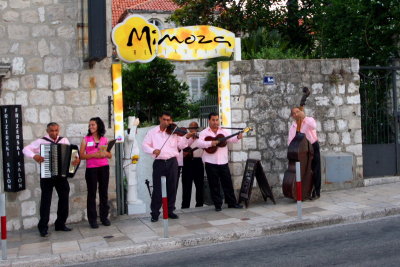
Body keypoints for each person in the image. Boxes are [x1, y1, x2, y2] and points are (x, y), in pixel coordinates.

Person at [22, 122, 79, 237]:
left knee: (64, 198)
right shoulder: (41, 141)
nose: (54, 133)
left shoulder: (64, 141)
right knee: (46, 201)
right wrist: (34, 156)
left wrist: (76, 160)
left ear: (59, 130)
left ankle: (60, 224)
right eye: (52, 131)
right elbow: (25, 149)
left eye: (56, 130)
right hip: (47, 176)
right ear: (47, 131)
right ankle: (43, 227)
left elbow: (73, 155)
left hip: (61, 176)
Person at [142, 112, 194, 222]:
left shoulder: (174, 132)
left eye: (168, 120)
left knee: (172, 187)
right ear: (160, 119)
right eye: (164, 119)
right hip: (159, 162)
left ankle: (170, 211)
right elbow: (144, 145)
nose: (166, 122)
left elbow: (182, 146)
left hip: (172, 162)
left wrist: (186, 137)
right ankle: (155, 213)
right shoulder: (152, 132)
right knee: (157, 189)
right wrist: (153, 150)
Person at [197, 112, 243, 212]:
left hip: (223, 161)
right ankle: (217, 204)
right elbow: (199, 143)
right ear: (209, 120)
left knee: (227, 183)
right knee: (214, 184)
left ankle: (232, 203)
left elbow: (231, 139)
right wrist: (210, 143)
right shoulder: (204, 132)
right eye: (213, 120)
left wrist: (238, 137)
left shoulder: (224, 131)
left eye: (217, 120)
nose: (215, 122)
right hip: (210, 162)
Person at [79, 117, 112, 229]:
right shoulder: (86, 139)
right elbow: (81, 156)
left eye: (93, 124)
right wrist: (94, 155)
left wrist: (105, 154)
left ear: (98, 125)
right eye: (89, 125)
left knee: (104, 193)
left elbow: (110, 155)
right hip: (91, 169)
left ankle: (104, 217)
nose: (90, 127)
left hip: (104, 167)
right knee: (92, 194)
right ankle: (92, 220)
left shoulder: (104, 139)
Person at [288, 107, 321, 199]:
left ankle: (316, 191)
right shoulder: (293, 127)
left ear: (301, 112)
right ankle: (305, 191)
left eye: (297, 112)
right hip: (302, 150)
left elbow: (313, 126)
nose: (296, 114)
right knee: (304, 170)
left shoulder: (308, 120)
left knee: (315, 169)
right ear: (292, 116)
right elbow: (290, 141)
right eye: (294, 113)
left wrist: (304, 118)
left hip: (312, 146)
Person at [181, 121, 204, 209]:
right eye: (191, 128)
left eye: (195, 128)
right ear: (189, 129)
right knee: (186, 186)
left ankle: (199, 205)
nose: (193, 130)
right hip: (187, 162)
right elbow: (183, 146)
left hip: (198, 161)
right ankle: (185, 206)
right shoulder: (185, 137)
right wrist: (190, 137)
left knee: (199, 185)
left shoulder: (201, 137)